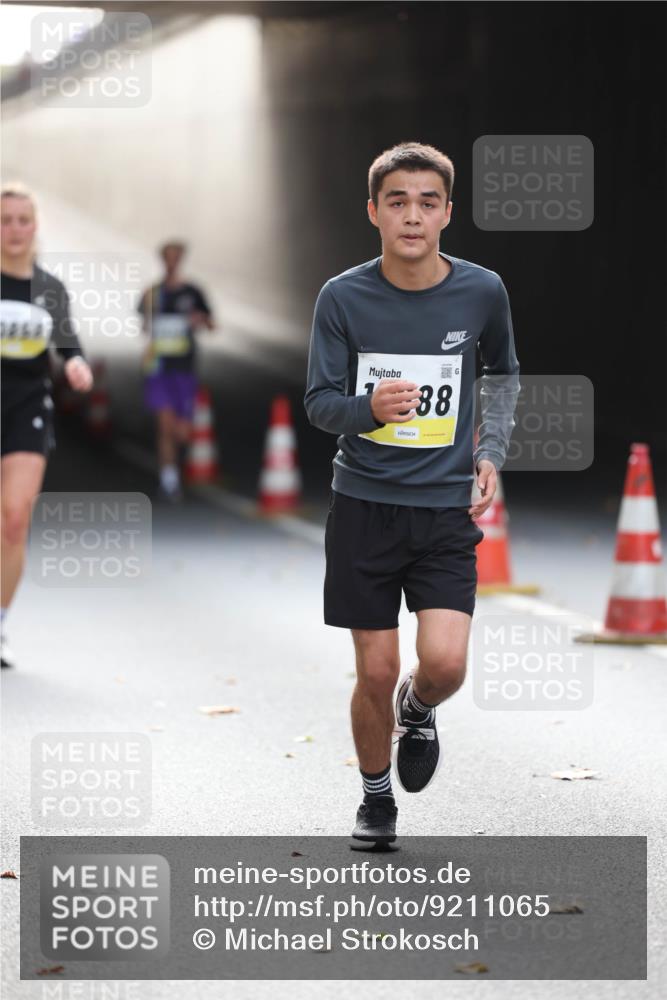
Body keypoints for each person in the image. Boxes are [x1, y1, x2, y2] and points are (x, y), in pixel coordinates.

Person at [304, 142, 520, 842]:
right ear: (373, 211)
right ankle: (375, 800)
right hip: (365, 507)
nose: (412, 215)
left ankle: (419, 709)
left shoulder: (481, 290)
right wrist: (369, 407)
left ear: (446, 213)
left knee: (445, 664)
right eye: (396, 201)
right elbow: (318, 402)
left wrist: (489, 452)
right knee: (374, 669)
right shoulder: (342, 296)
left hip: (443, 510)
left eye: (427, 202)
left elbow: (505, 373)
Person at [1, 182, 92, 669]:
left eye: (22, 220)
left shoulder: (49, 289)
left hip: (26, 407)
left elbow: (71, 348)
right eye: (4, 220)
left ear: (34, 227)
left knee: (14, 520)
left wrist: (77, 368)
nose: (13, 230)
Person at [138, 241, 214, 501]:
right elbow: (143, 326)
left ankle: (177, 471)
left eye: (175, 258)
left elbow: (212, 324)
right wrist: (153, 330)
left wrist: (198, 320)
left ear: (181, 260)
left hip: (184, 368)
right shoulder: (152, 293)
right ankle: (169, 480)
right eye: (167, 258)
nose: (171, 262)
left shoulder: (193, 292)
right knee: (165, 425)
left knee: (182, 431)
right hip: (158, 368)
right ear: (162, 260)